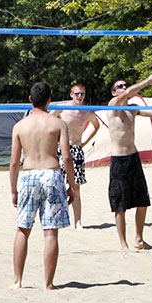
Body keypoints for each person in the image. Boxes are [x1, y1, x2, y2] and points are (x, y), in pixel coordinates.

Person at [9, 81, 73, 289]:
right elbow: (67, 157)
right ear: (49, 100)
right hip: (52, 174)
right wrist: (72, 185)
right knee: (50, 232)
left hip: (29, 175)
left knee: (22, 230)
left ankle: (18, 281)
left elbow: (13, 162)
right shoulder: (57, 124)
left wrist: (13, 190)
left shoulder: (20, 126)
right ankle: (48, 283)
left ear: (30, 100)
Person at [104, 74, 152, 250]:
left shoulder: (133, 108)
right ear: (114, 92)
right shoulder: (112, 105)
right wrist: (147, 81)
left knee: (142, 200)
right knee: (119, 204)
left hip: (133, 157)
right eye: (120, 86)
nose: (124, 87)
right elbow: (130, 92)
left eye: (125, 85)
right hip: (118, 159)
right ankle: (123, 244)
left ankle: (139, 239)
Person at [59, 82, 103, 228]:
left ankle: (78, 222)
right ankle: (58, 218)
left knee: (75, 187)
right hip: (60, 149)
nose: (79, 96)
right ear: (71, 94)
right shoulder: (62, 108)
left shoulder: (86, 111)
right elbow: (46, 118)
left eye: (82, 94)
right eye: (77, 93)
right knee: (56, 184)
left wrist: (84, 141)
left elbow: (96, 125)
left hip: (76, 148)